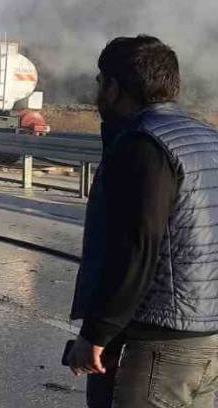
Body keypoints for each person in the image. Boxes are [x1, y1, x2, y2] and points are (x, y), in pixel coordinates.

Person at [68, 35, 218, 407]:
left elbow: (136, 247)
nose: (97, 94)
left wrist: (97, 333)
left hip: (158, 343)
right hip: (207, 335)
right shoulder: (206, 138)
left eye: (100, 82)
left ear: (115, 88)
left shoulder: (145, 144)